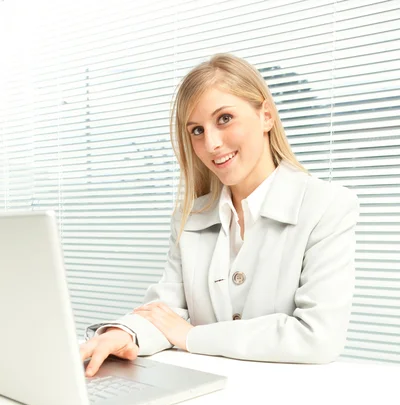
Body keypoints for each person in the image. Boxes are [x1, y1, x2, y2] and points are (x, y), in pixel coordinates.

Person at [80, 53, 359, 377]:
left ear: (266, 116)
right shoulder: (192, 216)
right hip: (204, 395)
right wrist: (124, 334)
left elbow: (318, 337)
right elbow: (166, 311)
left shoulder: (327, 206)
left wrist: (190, 336)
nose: (211, 143)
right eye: (196, 130)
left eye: (224, 118)